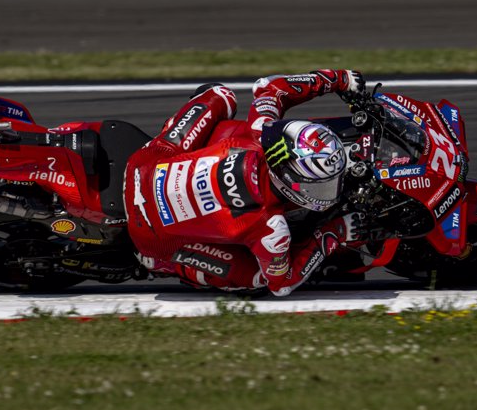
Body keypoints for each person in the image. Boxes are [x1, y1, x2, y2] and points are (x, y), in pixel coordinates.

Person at [123, 69, 367, 296]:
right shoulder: (272, 229)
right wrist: (334, 233)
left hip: (145, 164)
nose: (328, 190)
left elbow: (270, 87)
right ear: (289, 181)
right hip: (152, 235)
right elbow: (282, 283)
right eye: (320, 185)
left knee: (220, 95)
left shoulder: (260, 130)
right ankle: (168, 264)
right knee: (258, 279)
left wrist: (337, 79)